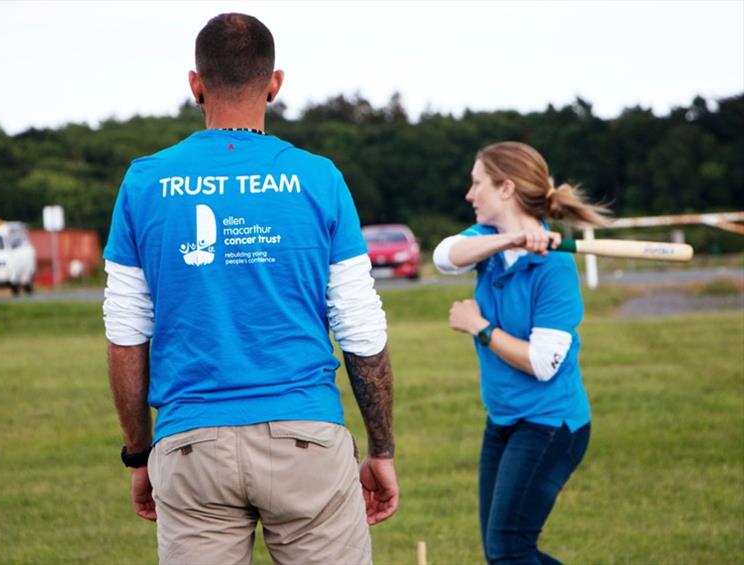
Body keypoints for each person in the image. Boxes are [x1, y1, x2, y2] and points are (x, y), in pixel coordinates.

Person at [102, 13, 398, 564]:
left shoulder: (144, 181)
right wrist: (380, 448)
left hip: (190, 446)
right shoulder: (319, 178)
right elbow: (360, 328)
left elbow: (126, 333)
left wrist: (139, 454)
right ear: (275, 83)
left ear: (196, 84)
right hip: (307, 436)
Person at [433, 141, 608, 564]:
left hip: (550, 424)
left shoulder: (554, 267)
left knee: (510, 550)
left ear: (506, 188)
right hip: (504, 419)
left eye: (478, 184)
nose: (469, 194)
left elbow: (541, 363)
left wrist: (481, 328)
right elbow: (444, 256)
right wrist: (512, 237)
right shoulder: (488, 241)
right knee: (502, 553)